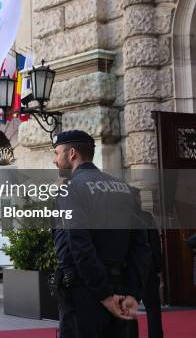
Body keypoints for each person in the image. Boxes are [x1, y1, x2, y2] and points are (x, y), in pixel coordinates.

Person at [51, 130, 151, 338]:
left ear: (71, 153)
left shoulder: (71, 188)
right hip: (122, 291)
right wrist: (133, 293)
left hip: (86, 294)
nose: (54, 160)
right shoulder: (125, 189)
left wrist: (104, 295)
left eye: (57, 153)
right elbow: (141, 246)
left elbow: (78, 245)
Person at [140, 210, 164, 338]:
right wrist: (158, 267)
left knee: (128, 310)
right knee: (153, 309)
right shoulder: (146, 217)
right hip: (148, 268)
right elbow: (155, 242)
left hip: (128, 270)